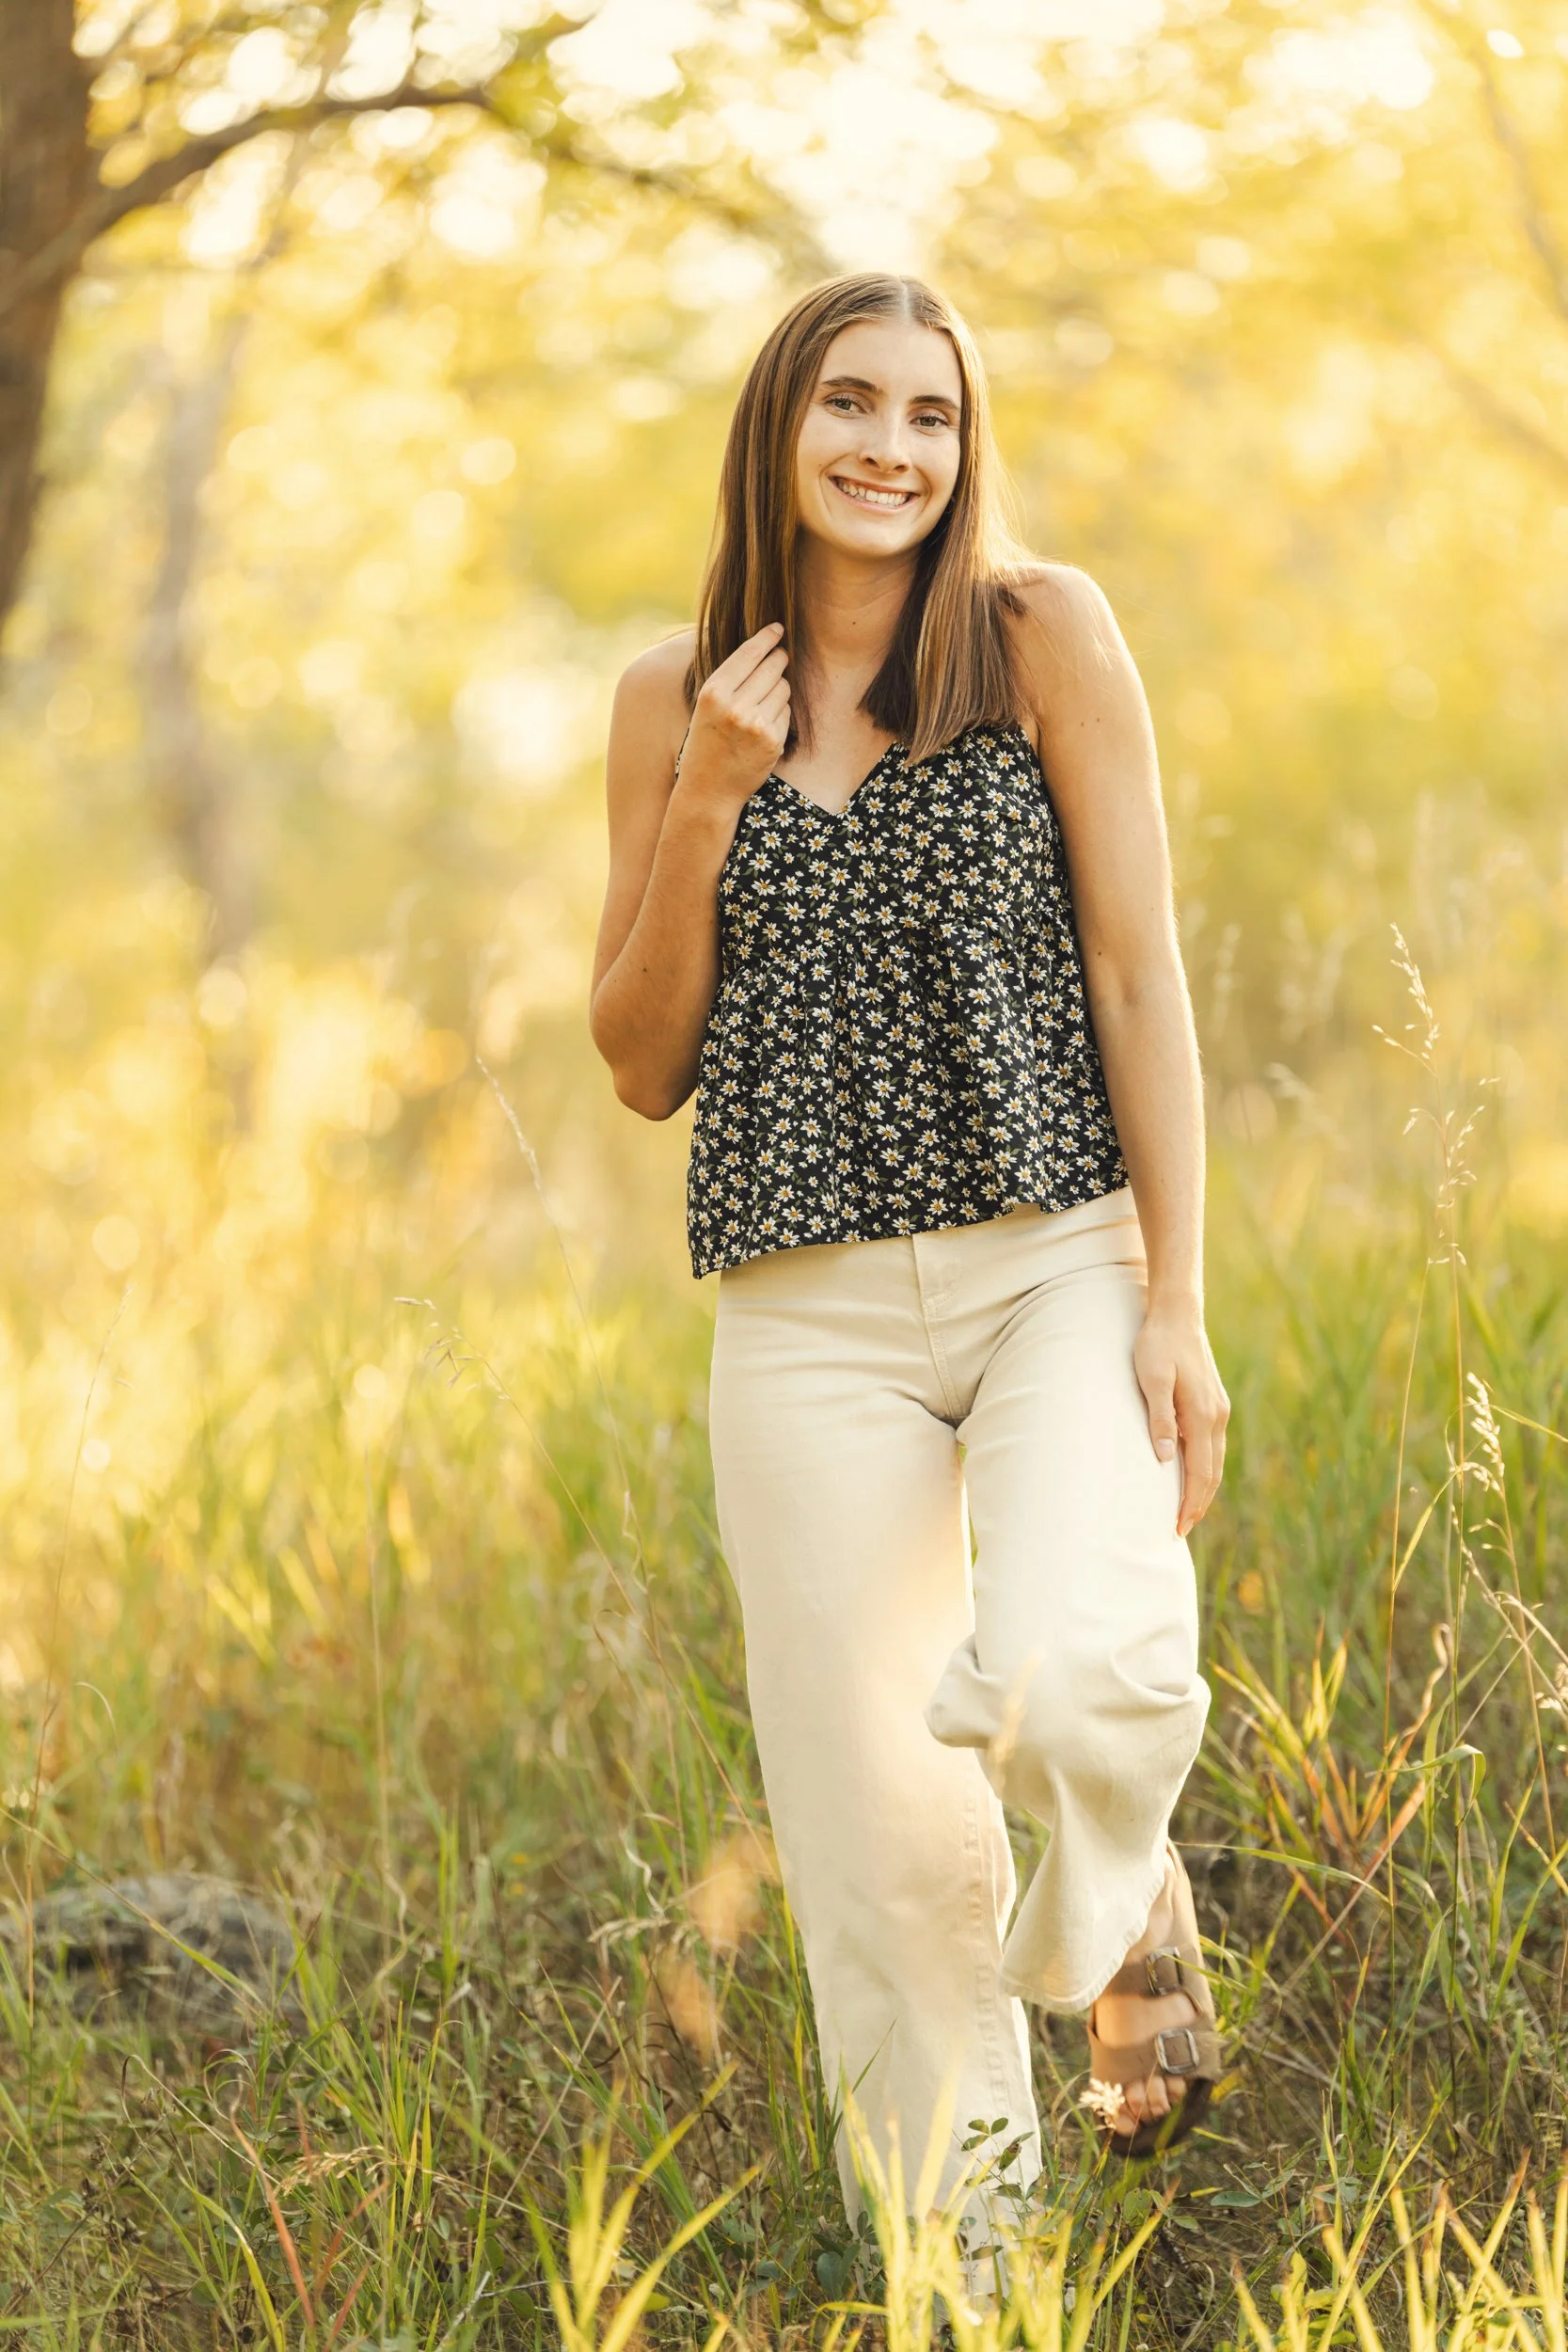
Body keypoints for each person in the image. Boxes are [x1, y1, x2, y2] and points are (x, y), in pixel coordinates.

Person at [589, 273, 1228, 2259]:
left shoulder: (1040, 636)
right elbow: (634, 1060)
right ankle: (974, 2271)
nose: (889, 447)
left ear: (965, 446)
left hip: (1051, 1255)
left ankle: (1124, 1897)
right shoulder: (664, 694)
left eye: (929, 415)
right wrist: (704, 789)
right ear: (776, 428)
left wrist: (1174, 1298)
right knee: (876, 1841)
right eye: (848, 404)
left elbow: (1135, 973)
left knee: (1070, 1667)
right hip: (803, 1310)